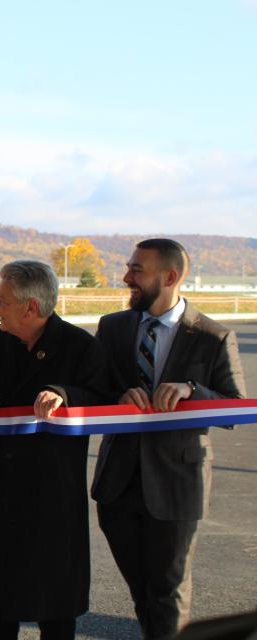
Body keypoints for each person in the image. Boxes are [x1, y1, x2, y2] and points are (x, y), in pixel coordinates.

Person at [91, 238, 246, 640]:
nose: (127, 277)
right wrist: (118, 397)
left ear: (170, 276)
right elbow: (93, 387)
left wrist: (194, 391)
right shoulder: (112, 327)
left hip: (177, 483)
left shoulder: (213, 337)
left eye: (136, 270)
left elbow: (235, 405)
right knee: (143, 590)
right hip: (118, 483)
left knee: (167, 589)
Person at [0, 260, 111, 640]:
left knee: (55, 599)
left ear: (31, 307)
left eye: (3, 301)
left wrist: (65, 396)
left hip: (52, 492)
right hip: (1, 485)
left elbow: (102, 399)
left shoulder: (79, 346)